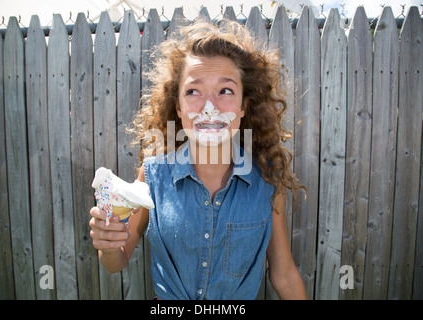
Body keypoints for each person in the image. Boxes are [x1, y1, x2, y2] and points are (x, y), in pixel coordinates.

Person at [89, 20, 307, 300]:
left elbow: (284, 273)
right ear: (179, 107)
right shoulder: (153, 176)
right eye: (193, 91)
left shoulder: (267, 183)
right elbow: (116, 261)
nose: (209, 107)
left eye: (225, 91)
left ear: (243, 106)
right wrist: (107, 245)